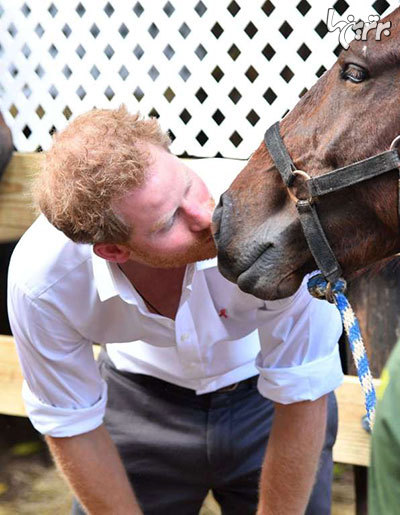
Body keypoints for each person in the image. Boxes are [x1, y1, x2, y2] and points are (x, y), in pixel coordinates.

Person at [8, 106, 343, 515]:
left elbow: (302, 388)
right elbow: (70, 421)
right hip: (134, 406)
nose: (205, 216)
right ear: (113, 251)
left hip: (268, 401)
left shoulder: (276, 222)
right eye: (169, 222)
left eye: (188, 184)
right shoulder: (42, 282)